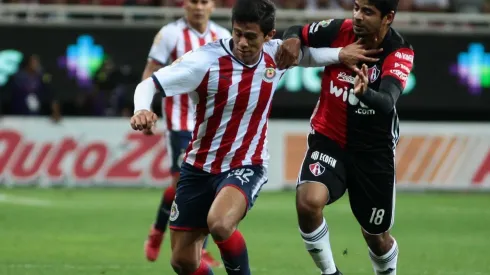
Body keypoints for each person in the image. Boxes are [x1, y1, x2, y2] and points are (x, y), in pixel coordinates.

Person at [131, 0, 380, 274]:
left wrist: (341, 54)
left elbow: (311, 56)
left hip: (247, 163)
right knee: (182, 261)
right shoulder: (204, 61)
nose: (242, 42)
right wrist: (142, 108)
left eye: (251, 36)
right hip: (198, 166)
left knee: (220, 223)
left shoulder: (276, 55)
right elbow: (148, 85)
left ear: (269, 36)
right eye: (237, 33)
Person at [276, 0, 414, 274]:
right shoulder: (340, 30)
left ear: (388, 17)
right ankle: (330, 272)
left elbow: (387, 101)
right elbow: (296, 29)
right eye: (356, 8)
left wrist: (366, 94)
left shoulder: (399, 51)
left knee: (376, 236)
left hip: (373, 152)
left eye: (367, 12)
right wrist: (291, 39)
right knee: (307, 203)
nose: (358, 17)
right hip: (329, 138)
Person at [141, 0, 230, 266]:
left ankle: (169, 235)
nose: (199, 7)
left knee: (210, 187)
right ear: (184, 4)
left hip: (211, 124)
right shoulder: (169, 34)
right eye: (193, 1)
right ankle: (178, 241)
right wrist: (144, 108)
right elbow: (151, 71)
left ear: (213, 6)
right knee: (184, 184)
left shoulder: (223, 37)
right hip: (179, 122)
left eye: (204, 1)